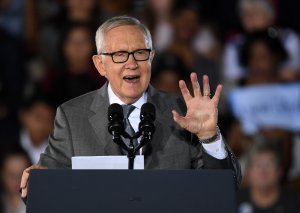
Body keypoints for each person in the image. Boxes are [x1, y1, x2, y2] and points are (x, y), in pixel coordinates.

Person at [20, 16, 241, 198]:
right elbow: (42, 188)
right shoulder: (71, 116)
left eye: (140, 53)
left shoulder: (184, 112)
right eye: (119, 55)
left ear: (151, 58)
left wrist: (209, 136)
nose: (132, 63)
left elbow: (225, 190)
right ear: (100, 65)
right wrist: (36, 181)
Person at [237, 142, 300, 213]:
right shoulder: (234, 201)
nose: (263, 171)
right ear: (249, 172)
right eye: (258, 165)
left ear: (279, 171)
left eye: (269, 165)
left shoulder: (294, 202)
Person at [0, 146, 31, 213]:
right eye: (11, 174)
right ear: (2, 174)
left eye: (21, 174)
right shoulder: (3, 202)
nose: (16, 180)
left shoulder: (39, 204)